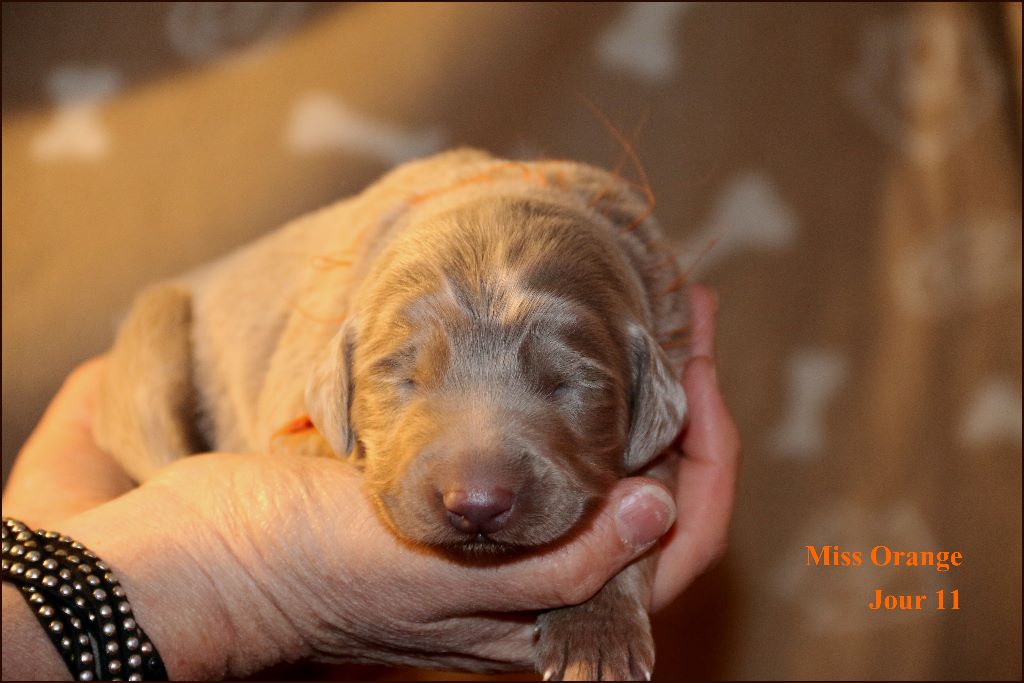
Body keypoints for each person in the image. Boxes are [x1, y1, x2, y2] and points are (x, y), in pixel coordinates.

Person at [1, 285, 739, 681]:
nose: (475, 494)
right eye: (408, 376)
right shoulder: (351, 316)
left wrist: (611, 589)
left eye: (563, 381)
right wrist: (225, 578)